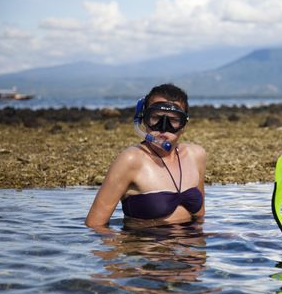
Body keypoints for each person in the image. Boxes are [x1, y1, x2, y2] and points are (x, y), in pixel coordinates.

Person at [86, 83, 206, 229]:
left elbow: (200, 218)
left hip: (191, 248)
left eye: (174, 120)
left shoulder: (196, 155)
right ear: (143, 119)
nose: (163, 127)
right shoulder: (131, 160)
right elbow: (95, 225)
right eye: (156, 118)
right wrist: (126, 247)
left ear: (184, 124)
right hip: (147, 247)